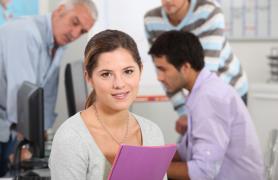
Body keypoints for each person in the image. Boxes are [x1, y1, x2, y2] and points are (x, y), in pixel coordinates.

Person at [49, 30, 166, 180]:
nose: (119, 84)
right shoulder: (72, 137)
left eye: (128, 71)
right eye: (106, 74)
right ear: (89, 78)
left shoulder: (152, 133)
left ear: (140, 70)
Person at [0, 0, 97, 176]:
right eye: (75, 22)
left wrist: (42, 135)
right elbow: (20, 95)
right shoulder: (26, 34)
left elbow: (47, 94)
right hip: (7, 123)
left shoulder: (56, 43)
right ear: (60, 10)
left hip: (9, 126)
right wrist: (25, 144)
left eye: (82, 31)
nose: (75, 33)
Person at [149, 30, 264, 179]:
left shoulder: (208, 98)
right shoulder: (202, 90)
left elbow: (203, 171)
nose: (159, 78)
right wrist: (149, 155)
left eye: (163, 69)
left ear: (185, 67)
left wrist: (151, 167)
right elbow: (186, 151)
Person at [144, 0, 248, 136]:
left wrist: (191, 115)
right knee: (191, 145)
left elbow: (206, 73)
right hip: (196, 96)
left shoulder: (208, 11)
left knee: (219, 148)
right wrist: (183, 111)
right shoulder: (152, 20)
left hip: (227, 88)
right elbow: (163, 71)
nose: (168, 1)